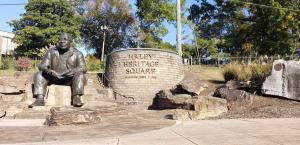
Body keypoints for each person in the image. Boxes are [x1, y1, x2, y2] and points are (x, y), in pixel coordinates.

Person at [29, 33, 87, 107]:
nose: (62, 41)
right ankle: (40, 99)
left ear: (70, 41)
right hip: (53, 77)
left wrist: (73, 71)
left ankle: (76, 98)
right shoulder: (51, 51)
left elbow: (83, 68)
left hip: (69, 79)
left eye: (65, 39)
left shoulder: (77, 53)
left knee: (80, 74)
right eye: (60, 39)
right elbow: (42, 65)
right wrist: (49, 71)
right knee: (39, 74)